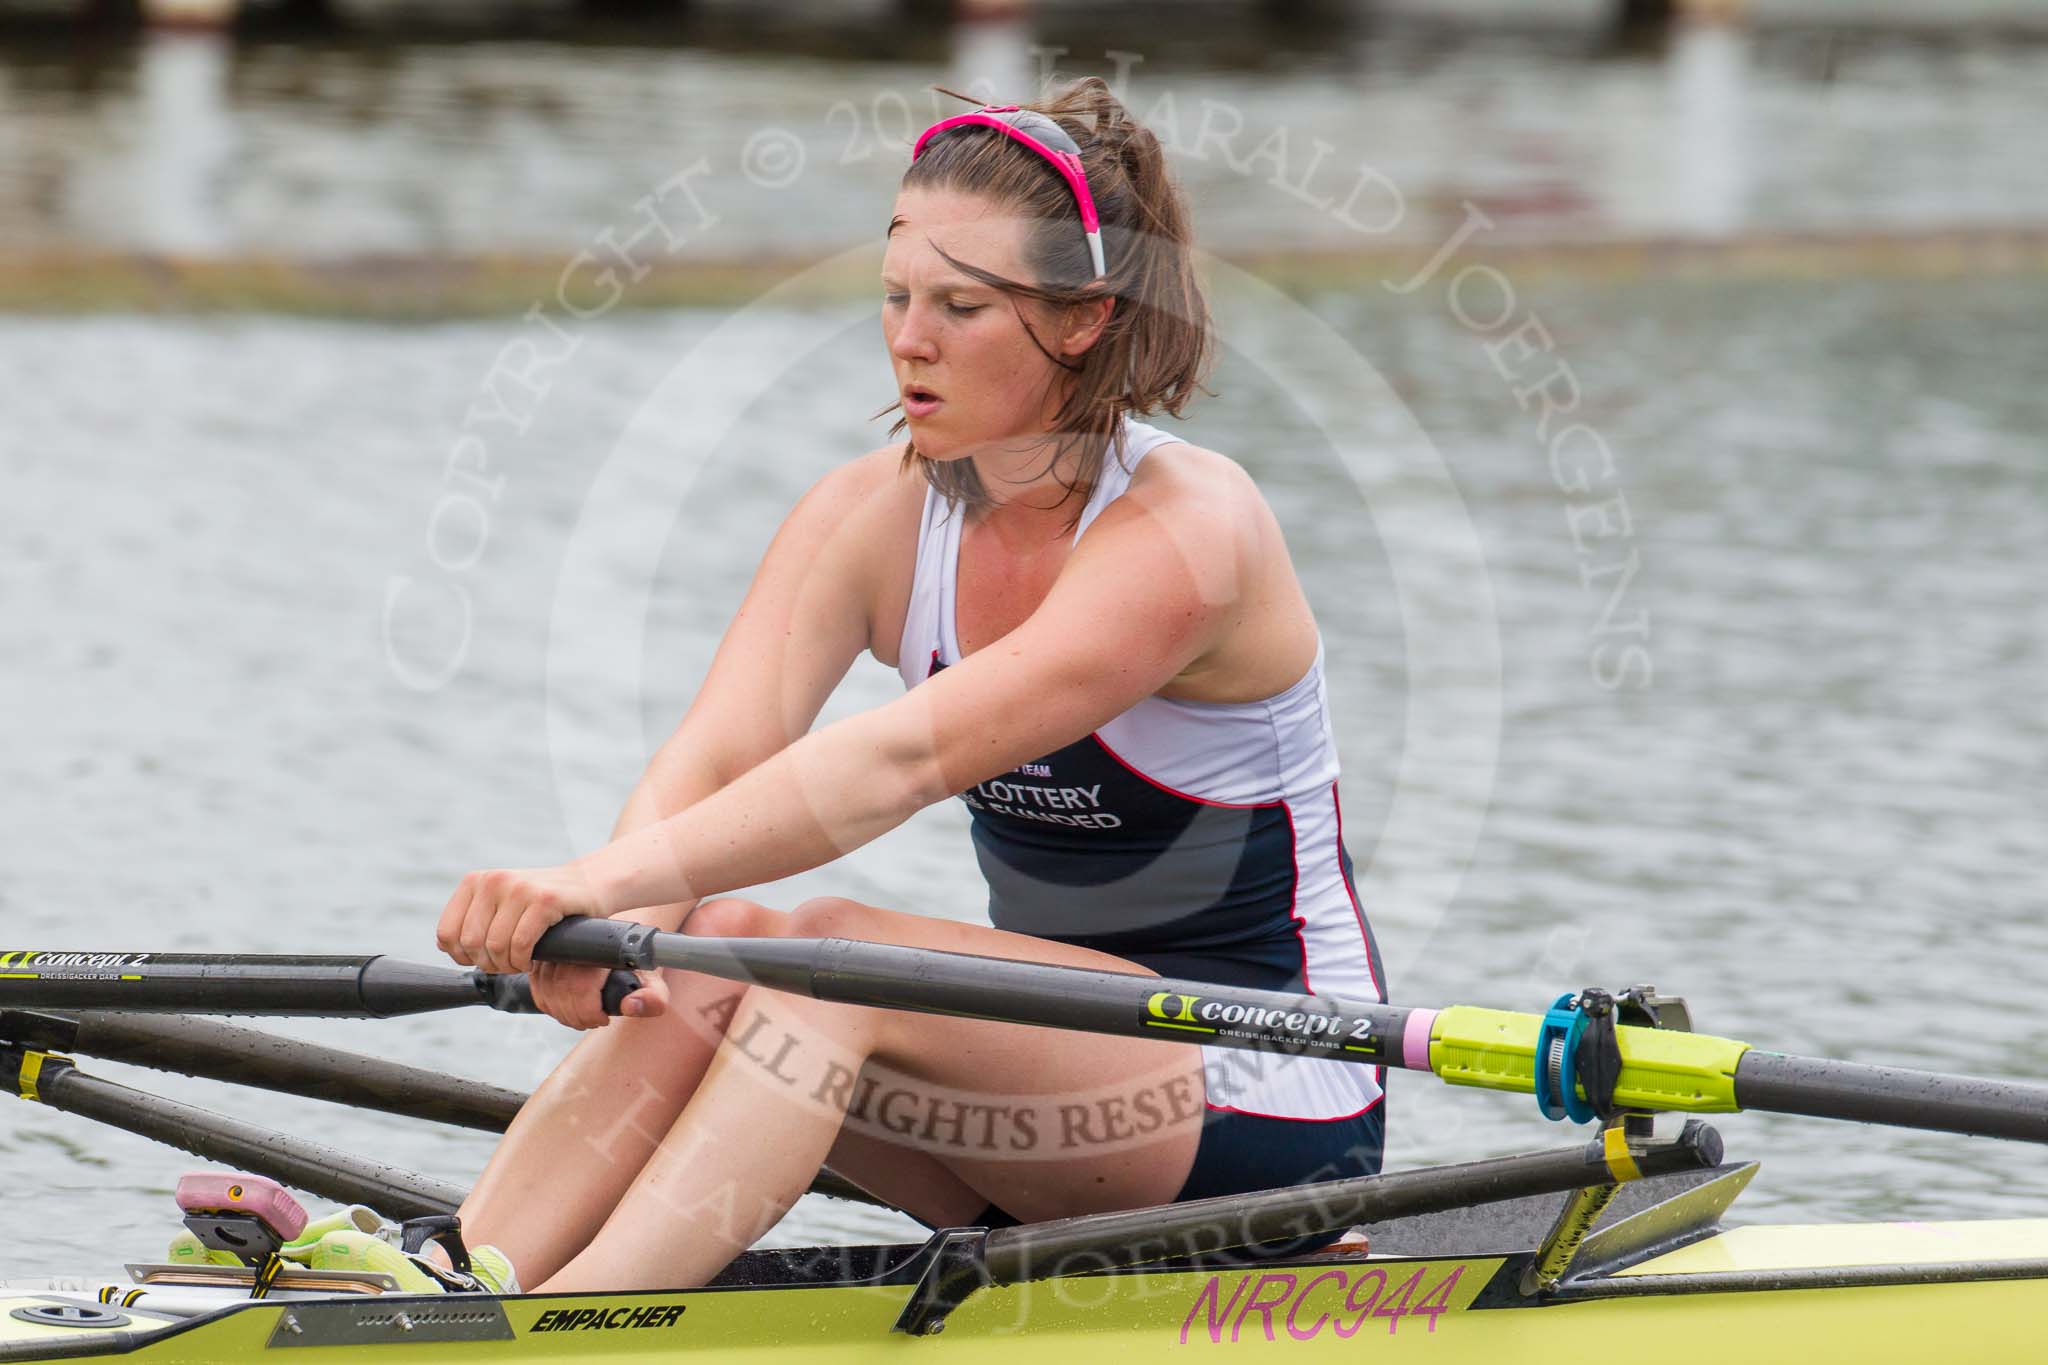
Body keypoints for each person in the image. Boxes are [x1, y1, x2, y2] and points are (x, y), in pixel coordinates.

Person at [433, 77, 1387, 1294]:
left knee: (821, 957)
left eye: (961, 305)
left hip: (1271, 1090)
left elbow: (896, 764)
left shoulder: (1189, 535)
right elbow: (719, 758)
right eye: (894, 297)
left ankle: (576, 1318)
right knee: (715, 941)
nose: (908, 339)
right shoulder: (868, 516)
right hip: (1040, 1082)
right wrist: (620, 936)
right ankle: (458, 1276)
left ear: (1084, 320)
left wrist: (594, 885)